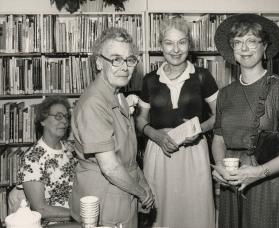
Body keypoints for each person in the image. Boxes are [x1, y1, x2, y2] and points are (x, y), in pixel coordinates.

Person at [211, 13, 279, 228]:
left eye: (251, 41)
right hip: (233, 183)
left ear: (265, 47)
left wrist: (257, 173)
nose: (244, 48)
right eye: (238, 42)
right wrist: (220, 166)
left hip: (269, 183)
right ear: (231, 49)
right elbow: (219, 139)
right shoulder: (225, 94)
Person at [136, 16, 218, 228]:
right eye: (169, 43)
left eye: (181, 42)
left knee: (195, 212)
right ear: (160, 45)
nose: (175, 49)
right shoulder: (150, 80)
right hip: (159, 153)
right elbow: (141, 120)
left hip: (193, 153)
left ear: (189, 45)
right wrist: (156, 135)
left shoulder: (202, 76)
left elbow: (220, 116)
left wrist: (199, 129)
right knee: (161, 214)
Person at [69, 27, 154, 228]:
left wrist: (143, 185)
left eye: (130, 60)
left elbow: (128, 156)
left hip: (121, 190)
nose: (124, 67)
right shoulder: (95, 103)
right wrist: (142, 193)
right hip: (105, 198)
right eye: (115, 59)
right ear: (99, 62)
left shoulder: (118, 95)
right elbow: (110, 167)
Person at [16, 96, 79, 227]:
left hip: (77, 216)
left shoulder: (69, 149)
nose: (65, 122)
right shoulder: (32, 158)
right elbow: (41, 209)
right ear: (43, 120)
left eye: (66, 117)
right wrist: (80, 214)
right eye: (58, 116)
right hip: (51, 223)